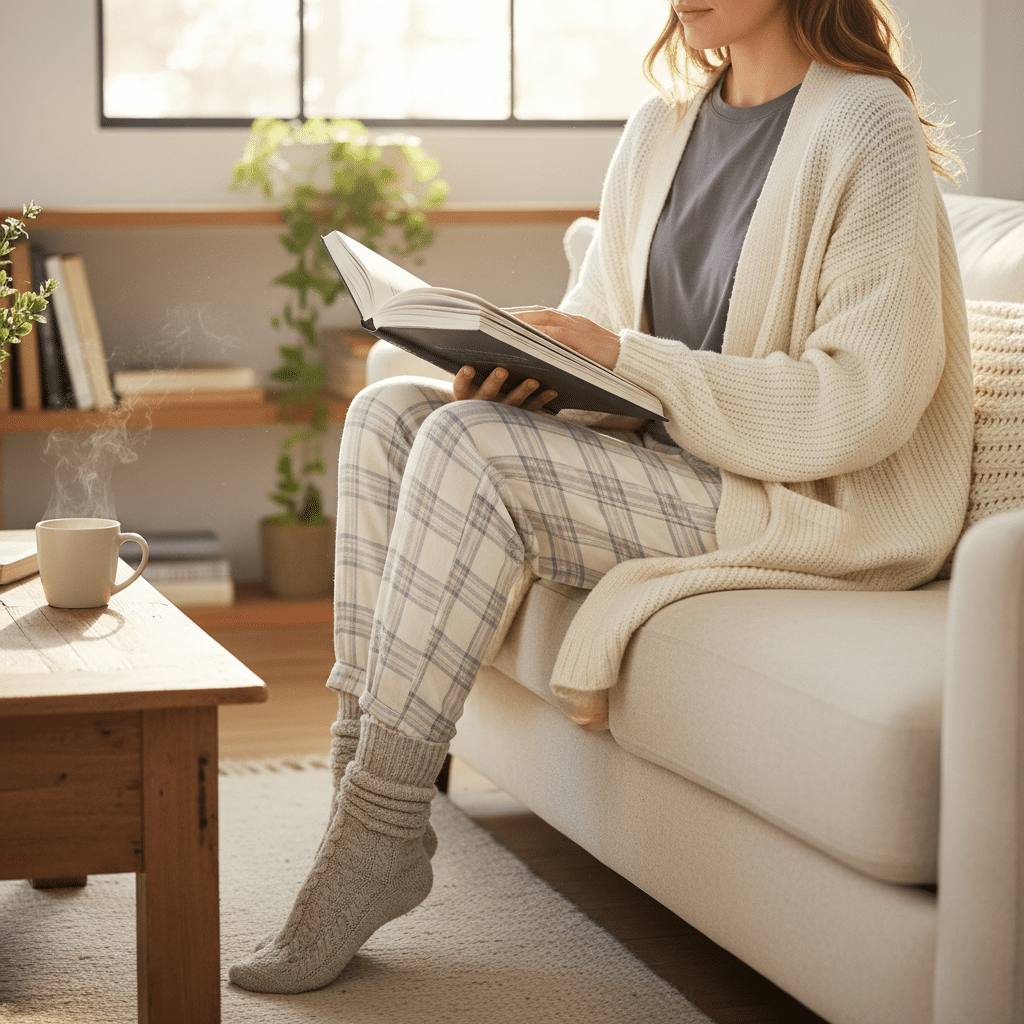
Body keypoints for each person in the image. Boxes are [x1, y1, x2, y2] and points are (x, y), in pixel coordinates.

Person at [230, 0, 973, 995]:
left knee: (466, 449)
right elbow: (603, 327)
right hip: (665, 462)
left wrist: (626, 359)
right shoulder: (660, 125)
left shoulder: (863, 123)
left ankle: (378, 832)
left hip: (801, 497)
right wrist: (525, 372)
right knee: (389, 416)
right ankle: (360, 810)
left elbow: (863, 398)